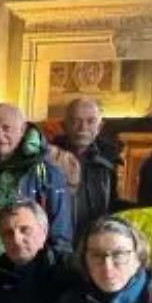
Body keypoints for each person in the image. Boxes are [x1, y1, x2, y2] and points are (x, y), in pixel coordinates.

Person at [0, 103, 73, 280]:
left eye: (6, 128)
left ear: (23, 129)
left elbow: (60, 235)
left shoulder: (47, 173)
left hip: (26, 280)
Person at [56, 97, 122, 235]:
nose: (83, 128)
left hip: (99, 238)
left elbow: (116, 204)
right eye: (75, 121)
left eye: (90, 121)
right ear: (64, 125)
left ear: (100, 127)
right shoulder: (49, 158)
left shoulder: (112, 160)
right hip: (59, 239)